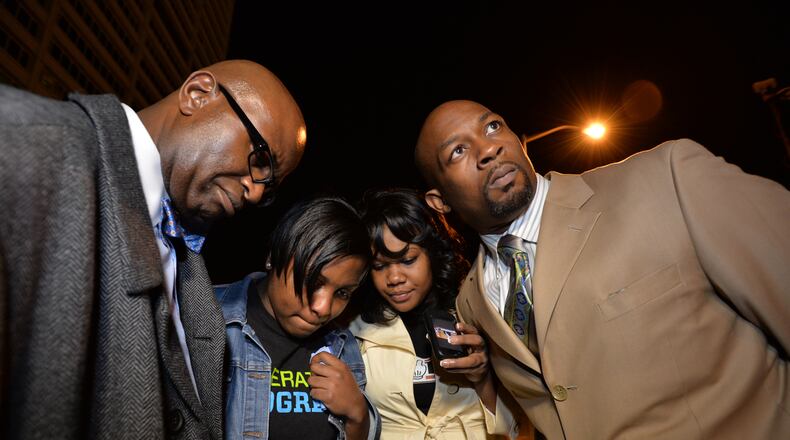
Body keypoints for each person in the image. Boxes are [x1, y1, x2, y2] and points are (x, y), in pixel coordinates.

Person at [413, 99, 790, 439]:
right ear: (440, 201)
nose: (488, 148)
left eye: (493, 126)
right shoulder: (470, 305)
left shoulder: (666, 179)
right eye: (458, 151)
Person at [0, 60, 306, 439]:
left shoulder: (190, 264)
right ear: (197, 94)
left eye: (270, 186)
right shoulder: (20, 147)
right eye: (260, 158)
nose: (256, 191)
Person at [349, 188, 516, 439]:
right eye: (380, 266)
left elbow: (514, 428)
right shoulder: (354, 330)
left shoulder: (479, 315)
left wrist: (482, 379)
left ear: (434, 254)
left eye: (407, 260)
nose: (394, 278)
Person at [215, 196, 380, 440]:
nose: (323, 309)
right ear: (273, 255)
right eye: (314, 281)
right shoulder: (208, 315)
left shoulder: (343, 345)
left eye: (343, 293)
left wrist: (358, 416)